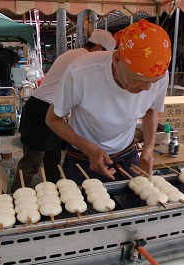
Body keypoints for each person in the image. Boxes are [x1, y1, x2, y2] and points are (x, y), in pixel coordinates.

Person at [46, 20, 171, 184]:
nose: (148, 88)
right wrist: (89, 149)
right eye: (138, 80)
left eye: (154, 81)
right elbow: (53, 119)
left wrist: (148, 149)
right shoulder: (81, 72)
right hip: (83, 157)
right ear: (117, 59)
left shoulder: (159, 74)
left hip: (127, 155)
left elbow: (151, 110)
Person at [14, 29, 116, 188]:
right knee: (31, 162)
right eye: (103, 53)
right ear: (98, 48)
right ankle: (16, 197)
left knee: (52, 161)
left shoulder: (74, 53)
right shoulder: (85, 59)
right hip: (42, 110)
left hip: (46, 108)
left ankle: (54, 195)